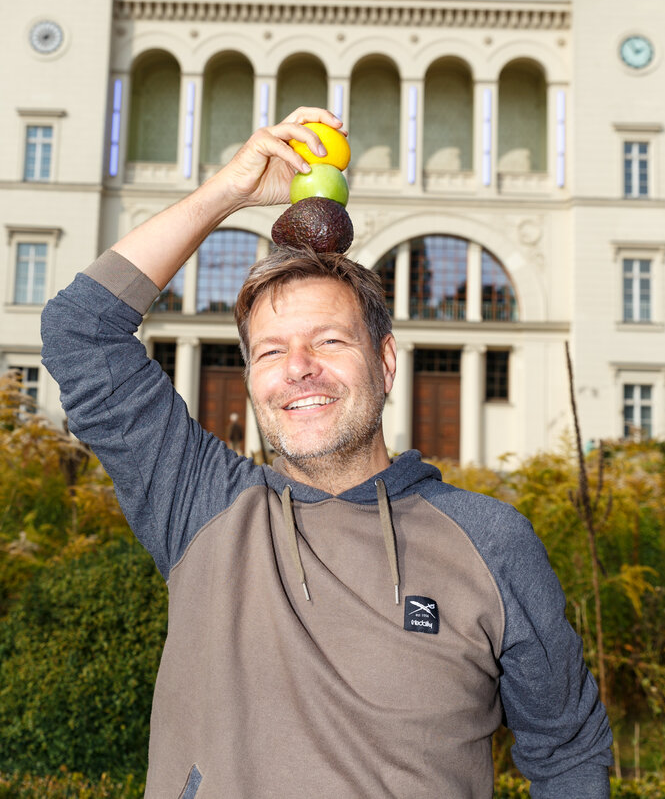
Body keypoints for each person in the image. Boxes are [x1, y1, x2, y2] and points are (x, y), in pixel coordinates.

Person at [41, 107, 612, 799]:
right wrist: (228, 193)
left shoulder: (492, 542)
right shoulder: (198, 505)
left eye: (329, 342)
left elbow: (568, 753)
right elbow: (80, 331)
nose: (299, 369)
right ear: (250, 376)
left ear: (385, 360)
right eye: (271, 352)